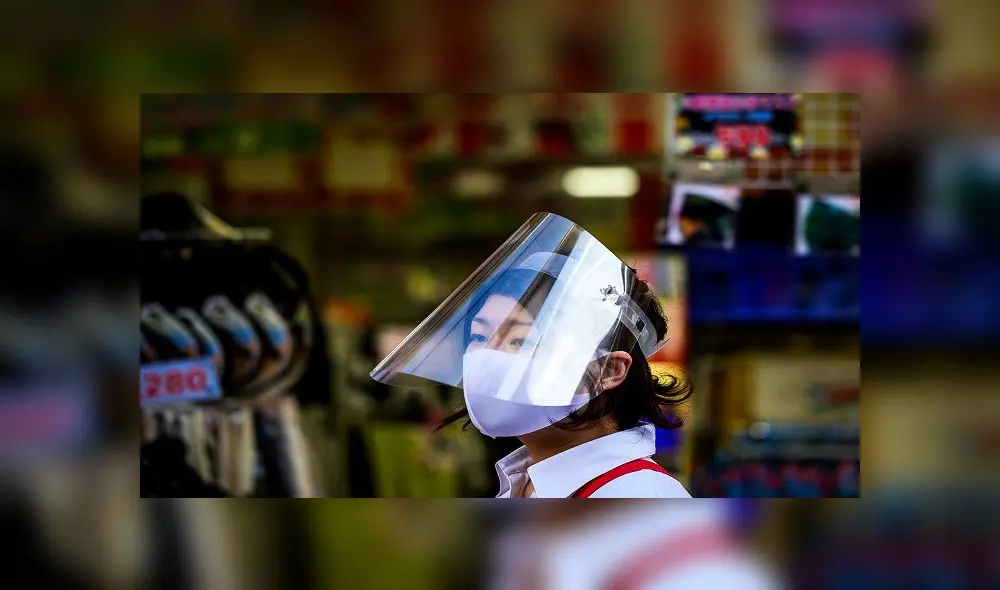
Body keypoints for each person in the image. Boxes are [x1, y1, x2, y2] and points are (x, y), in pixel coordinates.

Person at [371, 213, 694, 498]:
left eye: (520, 340)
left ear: (608, 370)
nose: (487, 358)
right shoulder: (527, 483)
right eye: (480, 336)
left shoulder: (636, 497)